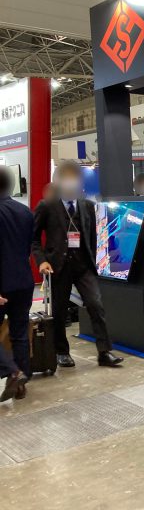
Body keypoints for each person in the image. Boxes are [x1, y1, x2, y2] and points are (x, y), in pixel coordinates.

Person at [32, 161, 123, 368]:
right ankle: (62, 352)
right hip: (58, 267)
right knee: (59, 311)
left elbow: (93, 236)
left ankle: (104, 352)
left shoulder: (87, 206)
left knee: (96, 305)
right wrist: (42, 260)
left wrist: (97, 260)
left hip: (84, 267)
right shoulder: (46, 206)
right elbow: (34, 239)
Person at [0, 165, 34, 399]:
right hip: (24, 281)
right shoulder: (25, 212)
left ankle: (13, 372)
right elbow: (27, 247)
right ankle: (21, 385)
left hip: (2, 285)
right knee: (19, 332)